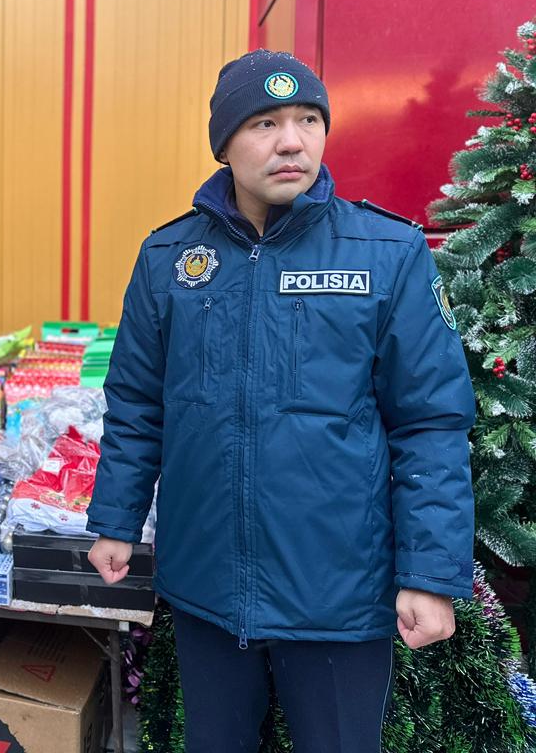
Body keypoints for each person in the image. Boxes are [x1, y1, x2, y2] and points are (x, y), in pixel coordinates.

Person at [86, 50, 476, 752]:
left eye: (308, 120)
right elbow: (139, 402)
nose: (291, 141)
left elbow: (431, 422)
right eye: (264, 123)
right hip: (207, 584)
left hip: (340, 591)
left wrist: (429, 574)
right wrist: (116, 519)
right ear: (224, 144)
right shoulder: (170, 258)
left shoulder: (386, 253)